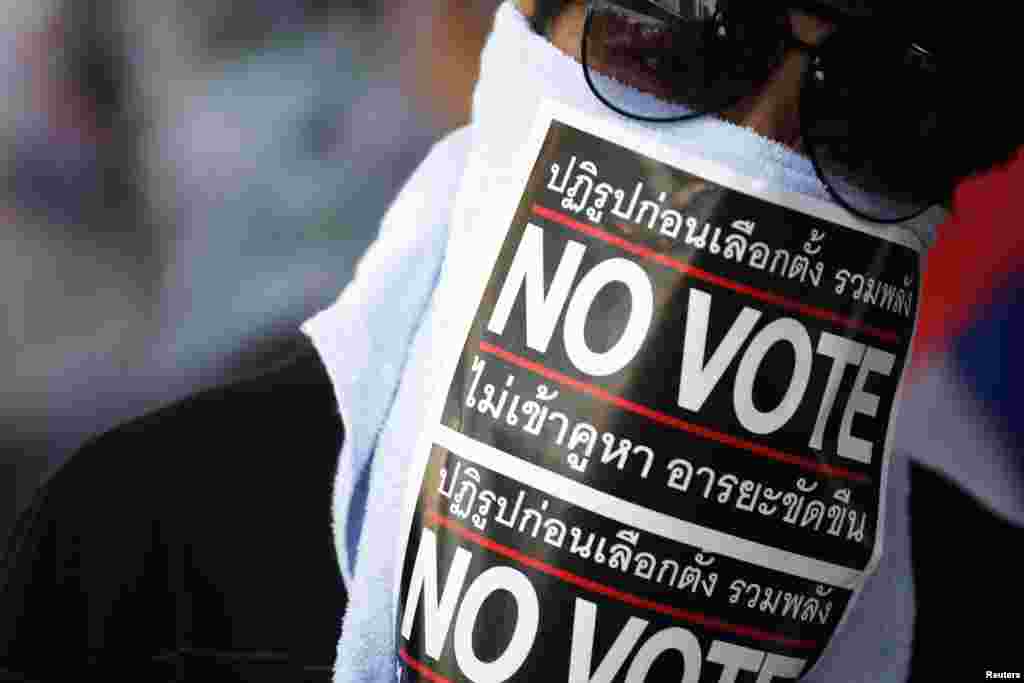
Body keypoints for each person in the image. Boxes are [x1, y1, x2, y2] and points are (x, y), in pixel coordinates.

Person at [2, 1, 1021, 681]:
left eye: (889, 110)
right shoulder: (151, 538)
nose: (757, 152)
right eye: (673, 35)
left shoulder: (989, 625)